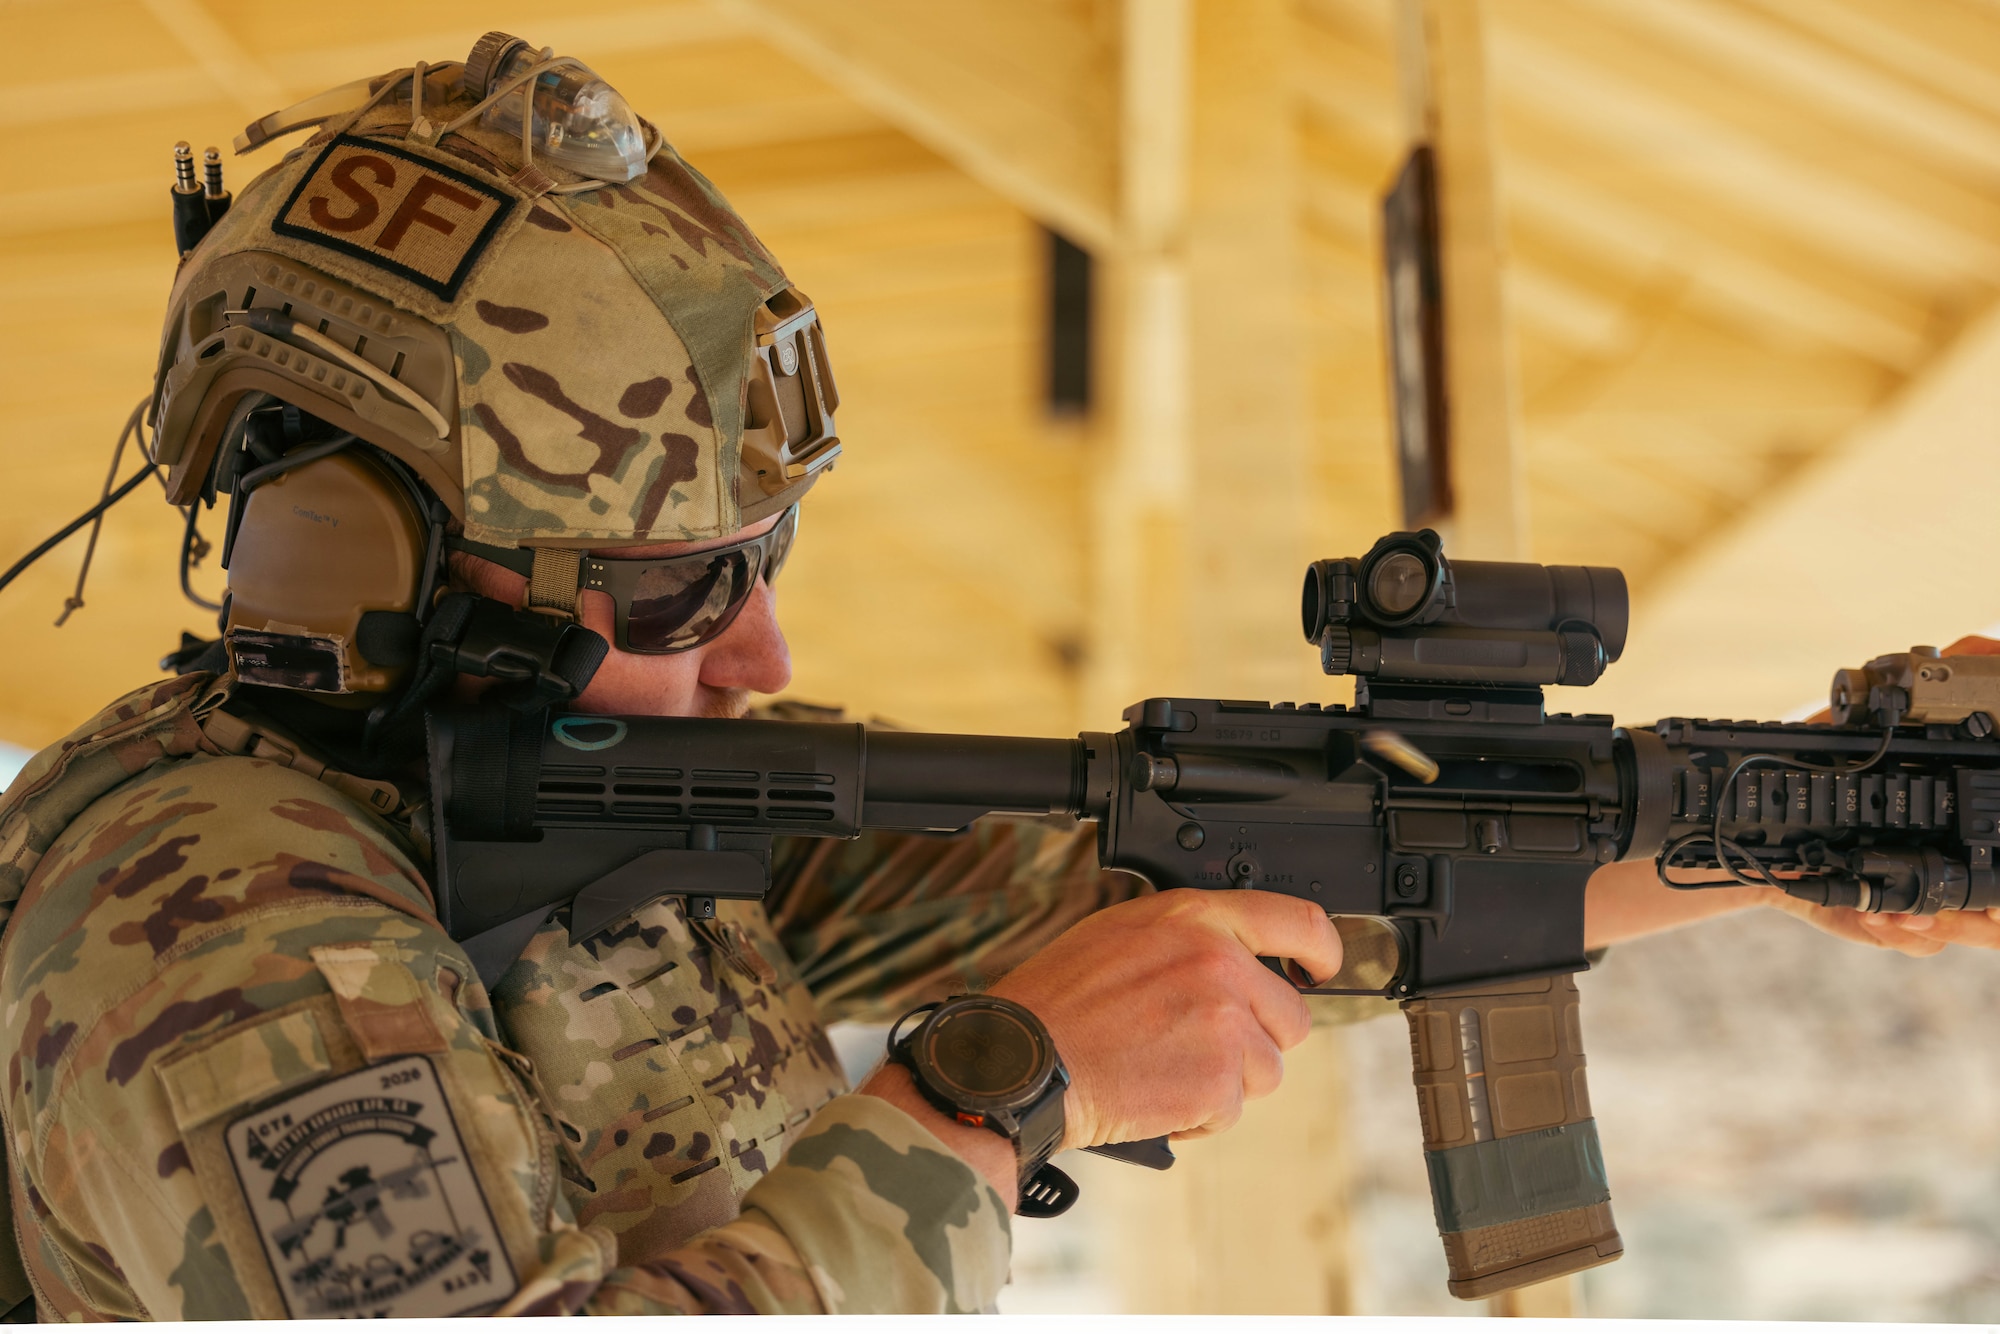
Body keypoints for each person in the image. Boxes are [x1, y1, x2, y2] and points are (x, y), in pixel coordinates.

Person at [0, 36, 1990, 1321]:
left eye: (754, 568)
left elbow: (1255, 882)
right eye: (684, 584)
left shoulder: (523, 784)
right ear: (377, 560)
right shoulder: (228, 937)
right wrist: (993, 1099)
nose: (761, 651)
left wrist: (1817, 821)